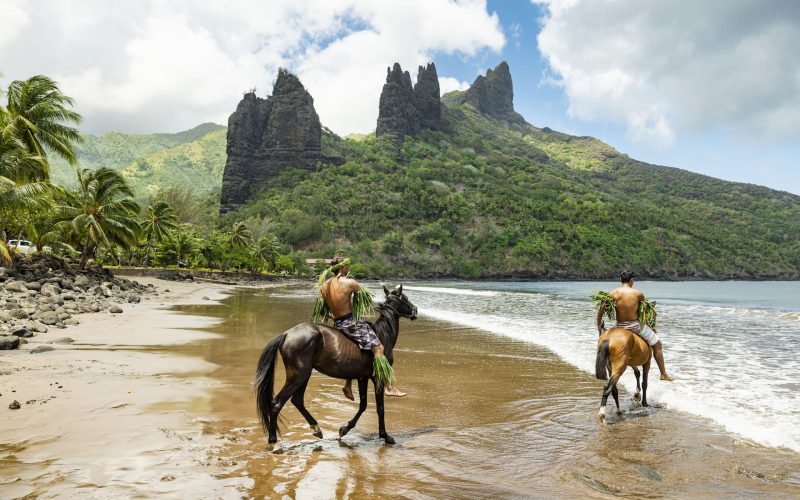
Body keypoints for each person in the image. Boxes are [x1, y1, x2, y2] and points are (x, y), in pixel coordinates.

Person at [320, 254, 407, 399]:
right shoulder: (350, 283)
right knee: (379, 348)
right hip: (351, 324)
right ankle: (389, 387)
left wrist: (336, 316)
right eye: (347, 266)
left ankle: (348, 386)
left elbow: (325, 311)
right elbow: (363, 299)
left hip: (338, 323)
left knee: (356, 351)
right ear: (342, 267)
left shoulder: (324, 286)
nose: (349, 268)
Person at [596, 270, 674, 381]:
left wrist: (598, 324)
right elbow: (648, 311)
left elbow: (601, 308)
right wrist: (652, 320)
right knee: (658, 345)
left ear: (620, 280)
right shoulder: (638, 293)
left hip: (620, 326)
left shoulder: (612, 293)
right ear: (631, 280)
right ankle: (663, 374)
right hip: (635, 326)